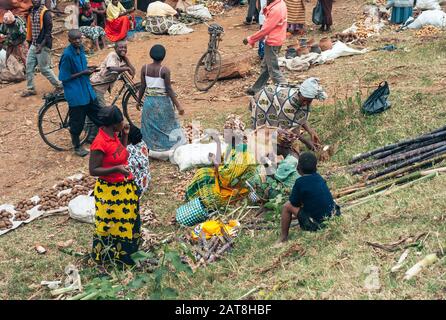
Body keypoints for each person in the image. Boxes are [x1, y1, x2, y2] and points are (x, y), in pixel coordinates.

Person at [89, 105, 141, 267]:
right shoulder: (100, 143)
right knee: (113, 226)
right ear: (114, 124)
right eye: (121, 121)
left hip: (124, 188)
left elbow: (120, 154)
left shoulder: (113, 135)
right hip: (110, 193)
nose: (124, 123)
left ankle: (129, 255)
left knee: (129, 222)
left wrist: (125, 136)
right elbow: (93, 170)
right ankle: (113, 259)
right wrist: (117, 169)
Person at [185, 130, 257, 210]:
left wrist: (214, 160)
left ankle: (199, 200)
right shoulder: (232, 147)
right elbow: (221, 160)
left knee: (211, 195)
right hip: (228, 179)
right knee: (202, 172)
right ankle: (195, 196)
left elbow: (227, 176)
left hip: (237, 184)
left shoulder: (241, 152)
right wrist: (218, 145)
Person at [58, 29, 103, 157]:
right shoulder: (67, 55)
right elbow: (64, 77)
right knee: (77, 122)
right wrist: (83, 73)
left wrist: (89, 68)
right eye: (74, 39)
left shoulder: (81, 49)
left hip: (87, 90)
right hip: (76, 92)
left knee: (98, 114)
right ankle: (77, 146)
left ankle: (108, 140)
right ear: (69, 40)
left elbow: (82, 68)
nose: (78, 41)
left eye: (79, 38)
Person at [278, 152, 340, 243]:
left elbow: (294, 203)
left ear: (298, 168)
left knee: (287, 206)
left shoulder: (300, 182)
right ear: (316, 167)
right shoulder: (319, 177)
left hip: (317, 224)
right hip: (333, 216)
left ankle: (283, 237)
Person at [250, 77, 327, 148]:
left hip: (274, 98)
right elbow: (288, 129)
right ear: (299, 94)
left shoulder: (303, 100)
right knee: (263, 129)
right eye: (304, 100)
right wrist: (306, 142)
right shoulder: (288, 104)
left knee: (277, 132)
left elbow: (299, 118)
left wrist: (311, 132)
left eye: (309, 101)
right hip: (264, 100)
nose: (305, 103)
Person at [137, 44, 186, 153]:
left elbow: (142, 86)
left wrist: (138, 101)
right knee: (167, 125)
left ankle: (151, 148)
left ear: (151, 55)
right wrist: (178, 106)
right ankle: (168, 148)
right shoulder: (165, 70)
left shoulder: (144, 68)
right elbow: (169, 89)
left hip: (149, 102)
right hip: (163, 102)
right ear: (163, 57)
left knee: (150, 125)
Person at [243, 0, 287, 96]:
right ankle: (256, 89)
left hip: (272, 42)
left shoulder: (276, 9)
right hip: (277, 39)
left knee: (273, 69)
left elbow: (265, 30)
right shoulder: (280, 4)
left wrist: (251, 39)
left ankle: (285, 92)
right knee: (266, 67)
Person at [21, 0, 62, 97]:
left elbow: (48, 32)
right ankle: (31, 88)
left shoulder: (45, 13)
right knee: (29, 66)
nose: (35, 1)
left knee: (44, 68)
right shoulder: (32, 11)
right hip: (34, 44)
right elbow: (31, 29)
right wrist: (31, 43)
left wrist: (41, 45)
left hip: (43, 45)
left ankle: (59, 86)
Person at [90, 40, 135, 107]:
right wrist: (126, 68)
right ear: (115, 48)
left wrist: (126, 59)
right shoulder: (112, 55)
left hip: (100, 87)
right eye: (121, 47)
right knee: (101, 110)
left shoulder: (121, 59)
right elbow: (111, 68)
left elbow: (133, 72)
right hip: (96, 85)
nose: (123, 49)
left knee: (94, 110)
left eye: (125, 47)